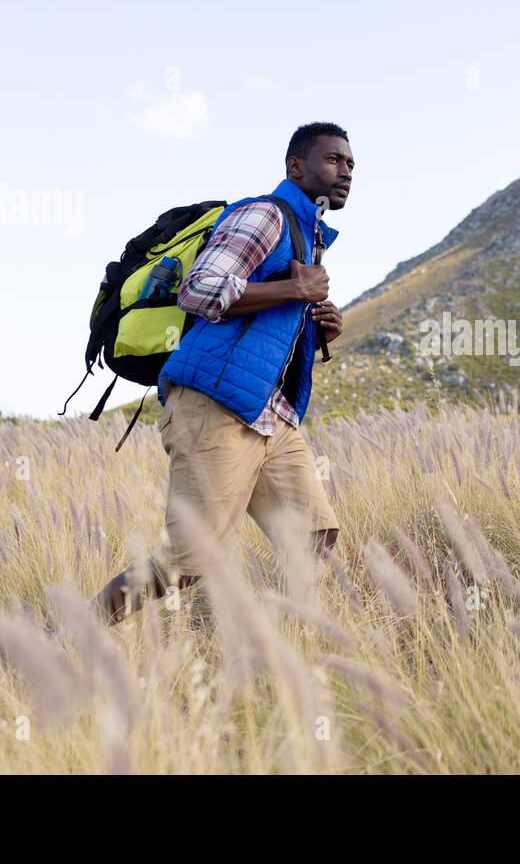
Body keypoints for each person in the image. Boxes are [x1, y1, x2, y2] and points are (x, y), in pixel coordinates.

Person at [93, 122, 352, 624]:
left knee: (313, 539)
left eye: (350, 164)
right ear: (295, 167)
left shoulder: (308, 237)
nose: (344, 172)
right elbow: (200, 287)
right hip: (214, 408)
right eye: (332, 160)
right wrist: (294, 292)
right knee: (185, 567)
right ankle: (69, 638)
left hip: (270, 416)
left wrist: (320, 327)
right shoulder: (264, 215)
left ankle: (278, 654)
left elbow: (263, 327)